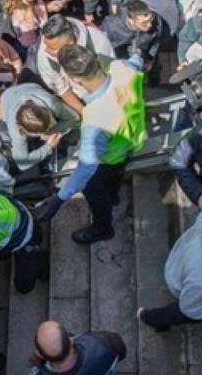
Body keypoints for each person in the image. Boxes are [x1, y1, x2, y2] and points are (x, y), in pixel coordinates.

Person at [34, 44, 147, 244]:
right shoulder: (122, 68)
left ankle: (103, 228)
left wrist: (58, 199)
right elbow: (137, 60)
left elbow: (85, 169)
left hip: (107, 158)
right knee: (116, 175)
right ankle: (113, 197)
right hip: (132, 141)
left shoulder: (95, 120)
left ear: (75, 79)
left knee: (95, 192)